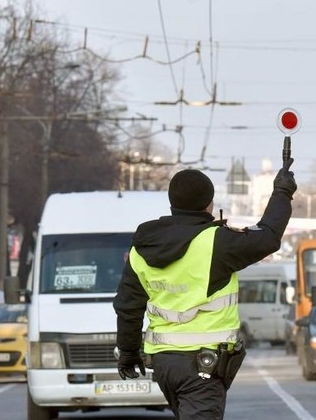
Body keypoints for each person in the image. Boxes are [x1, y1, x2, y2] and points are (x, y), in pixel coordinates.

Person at [113, 159, 297, 420]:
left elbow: (128, 306)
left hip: (164, 364)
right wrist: (282, 193)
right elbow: (267, 236)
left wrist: (128, 353)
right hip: (203, 365)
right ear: (209, 203)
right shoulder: (216, 243)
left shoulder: (142, 248)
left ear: (172, 203)